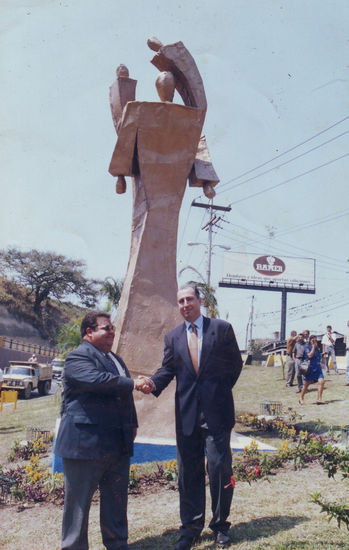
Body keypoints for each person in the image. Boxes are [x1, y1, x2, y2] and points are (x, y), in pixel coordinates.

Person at [139, 284, 242, 550]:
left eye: (189, 299)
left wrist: (217, 392)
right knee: (188, 474)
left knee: (219, 470)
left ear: (200, 300)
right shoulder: (173, 337)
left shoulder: (221, 329)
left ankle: (220, 526)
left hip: (217, 414)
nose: (185, 304)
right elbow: (168, 369)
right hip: (187, 416)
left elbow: (234, 366)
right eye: (181, 301)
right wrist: (152, 383)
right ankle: (191, 528)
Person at [54, 311, 144, 550]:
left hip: (116, 444)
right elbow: (98, 381)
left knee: (116, 501)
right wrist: (134, 383)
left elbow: (124, 395)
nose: (112, 331)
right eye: (106, 328)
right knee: (78, 505)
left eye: (112, 327)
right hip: (84, 445)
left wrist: (132, 423)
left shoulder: (116, 359)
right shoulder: (77, 357)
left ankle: (117, 544)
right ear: (88, 333)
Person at [299, 335, 325, 405]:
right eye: (313, 340)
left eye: (315, 340)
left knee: (321, 381)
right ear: (310, 341)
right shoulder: (308, 347)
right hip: (310, 368)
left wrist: (322, 355)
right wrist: (313, 347)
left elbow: (318, 357)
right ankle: (301, 398)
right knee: (307, 384)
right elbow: (310, 355)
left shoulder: (318, 348)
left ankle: (319, 399)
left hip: (318, 367)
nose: (314, 342)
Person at [344, 320, 349, 386]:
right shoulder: (346, 333)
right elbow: (345, 343)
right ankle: (348, 381)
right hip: (348, 351)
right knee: (348, 366)